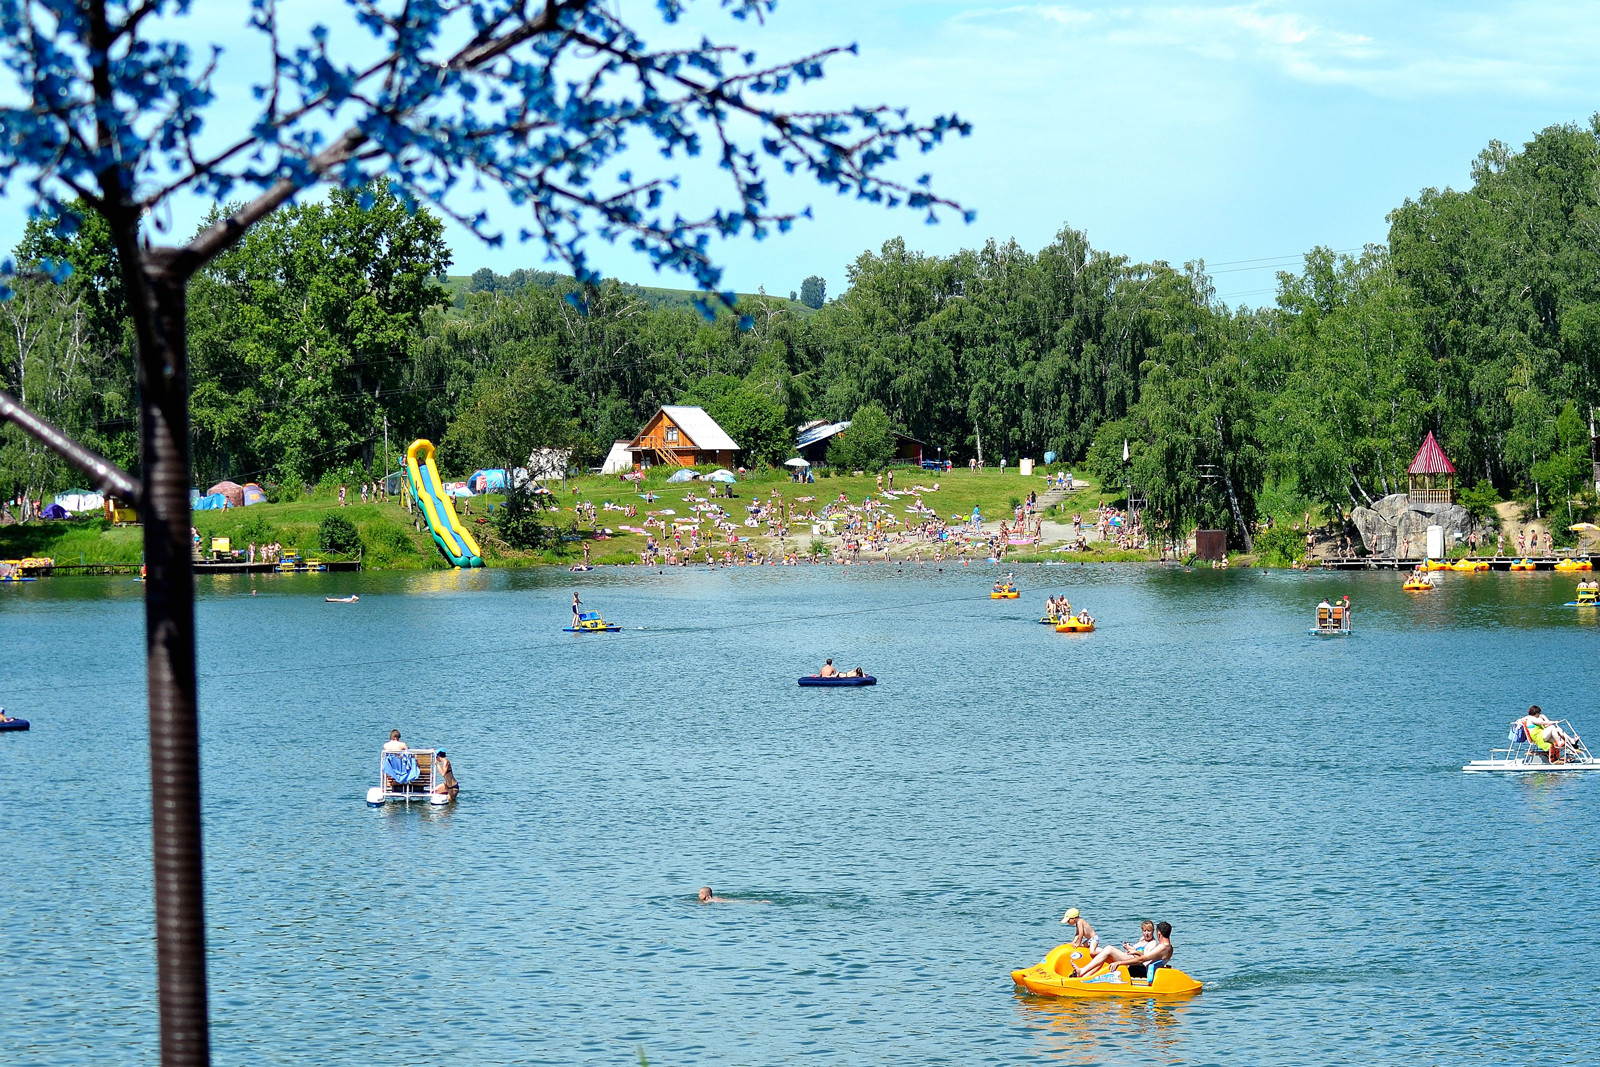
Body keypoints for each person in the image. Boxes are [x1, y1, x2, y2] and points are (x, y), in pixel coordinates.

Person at [1075, 920, 1173, 978]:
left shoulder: (1161, 947)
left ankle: (1082, 971)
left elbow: (1142, 959)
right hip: (1139, 967)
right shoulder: (1169, 947)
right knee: (1105, 954)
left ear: (1158, 933)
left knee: (1109, 949)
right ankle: (1085, 977)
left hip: (1141, 970)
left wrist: (1119, 963)